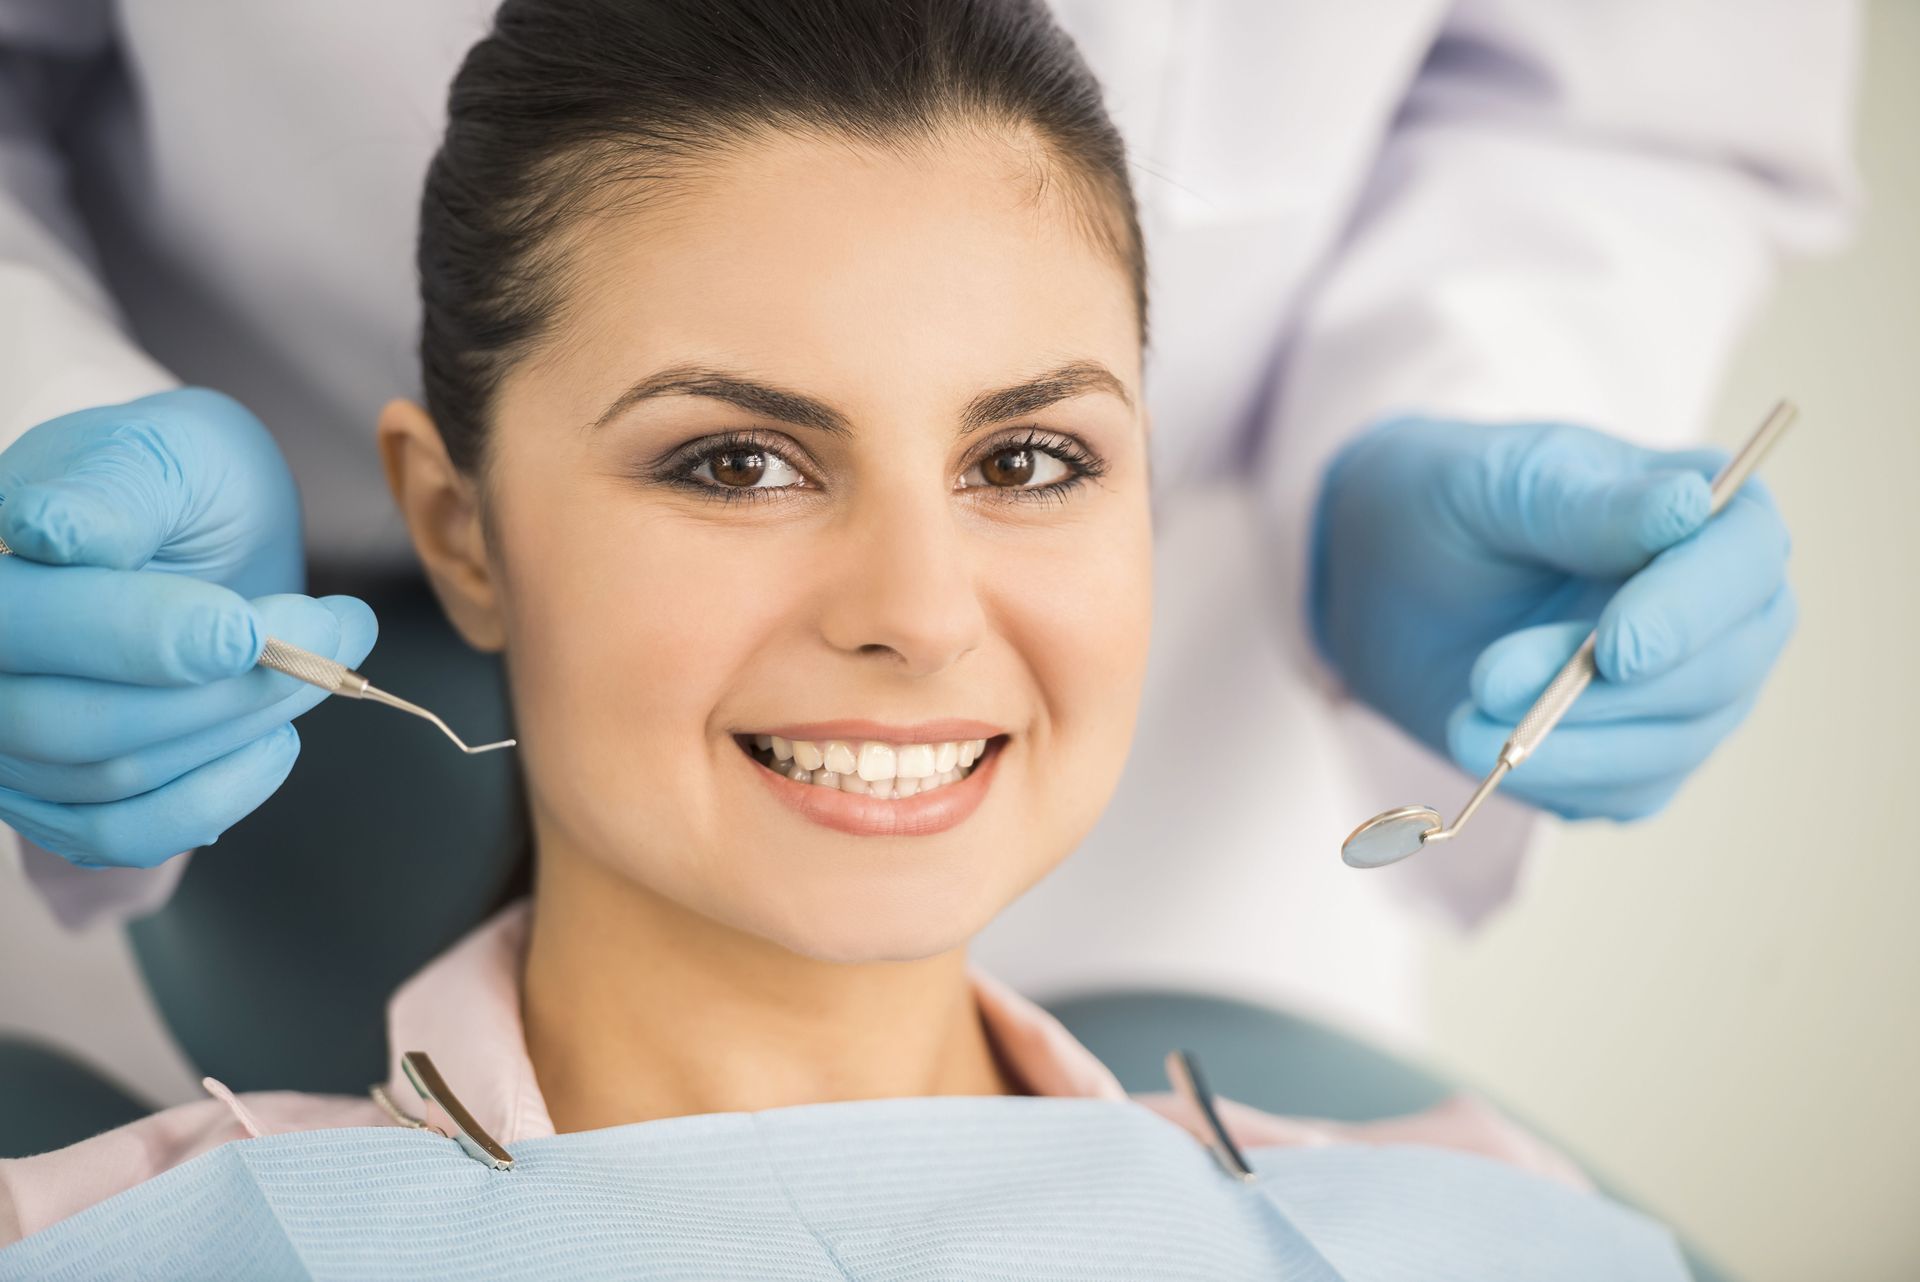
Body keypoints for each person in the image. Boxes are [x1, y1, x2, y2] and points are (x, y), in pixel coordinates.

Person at [0, 7, 1689, 1273]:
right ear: (463, 527)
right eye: (735, 461)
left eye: (1029, 459)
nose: (917, 611)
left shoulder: (1482, 1235)